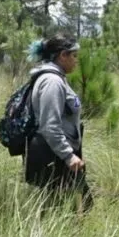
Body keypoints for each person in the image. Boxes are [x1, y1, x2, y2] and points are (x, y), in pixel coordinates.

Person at [25, 35, 93, 212]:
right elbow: (50, 126)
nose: (76, 60)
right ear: (63, 55)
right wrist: (69, 156)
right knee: (59, 209)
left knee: (75, 206)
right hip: (54, 157)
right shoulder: (52, 82)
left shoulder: (57, 78)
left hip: (59, 154)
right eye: (74, 55)